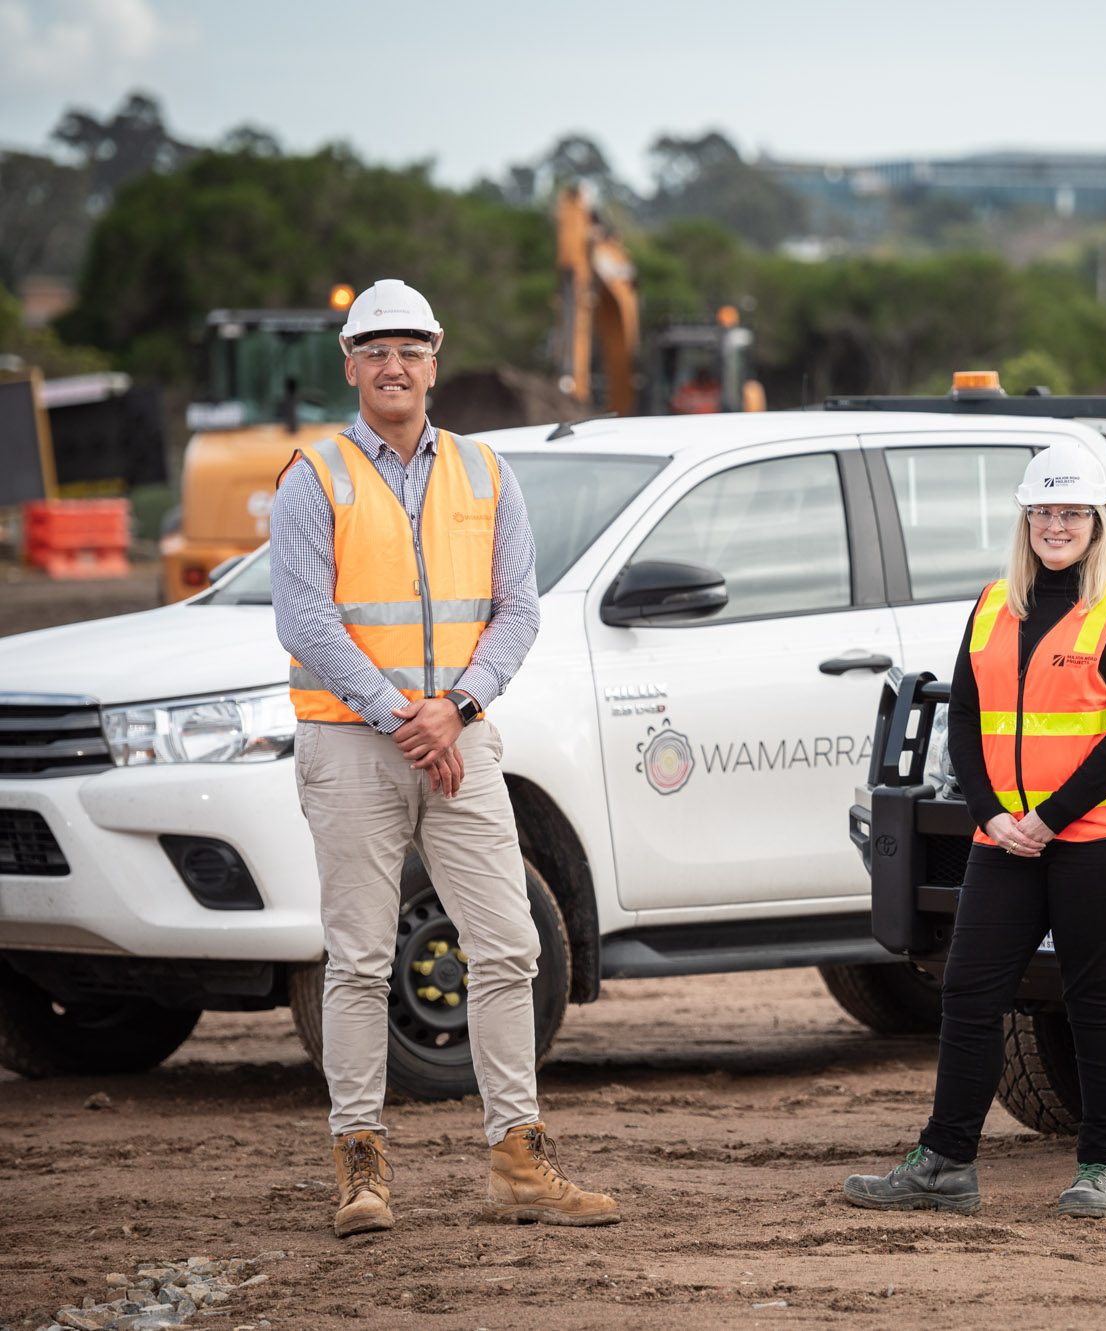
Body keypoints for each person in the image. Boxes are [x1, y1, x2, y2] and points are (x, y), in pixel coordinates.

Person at [270, 277, 618, 1237]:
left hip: (461, 738)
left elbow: (520, 607)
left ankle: (517, 1158)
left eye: (410, 349)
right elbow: (304, 615)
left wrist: (457, 708)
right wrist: (399, 716)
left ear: (435, 359)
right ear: (350, 365)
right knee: (357, 958)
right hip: (352, 745)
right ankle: (361, 1165)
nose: (393, 365)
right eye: (374, 350)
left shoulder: (484, 472)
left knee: (509, 944)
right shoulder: (314, 477)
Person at [843, 441, 1106, 1219]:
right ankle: (945, 1162)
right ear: (1025, 521)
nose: (1056, 526)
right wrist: (991, 815)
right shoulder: (995, 604)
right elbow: (963, 714)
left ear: (1097, 523)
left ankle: (1105, 1166)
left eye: (1072, 514)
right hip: (1007, 836)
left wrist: (1049, 819)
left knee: (1096, 995)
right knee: (968, 990)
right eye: (1044, 513)